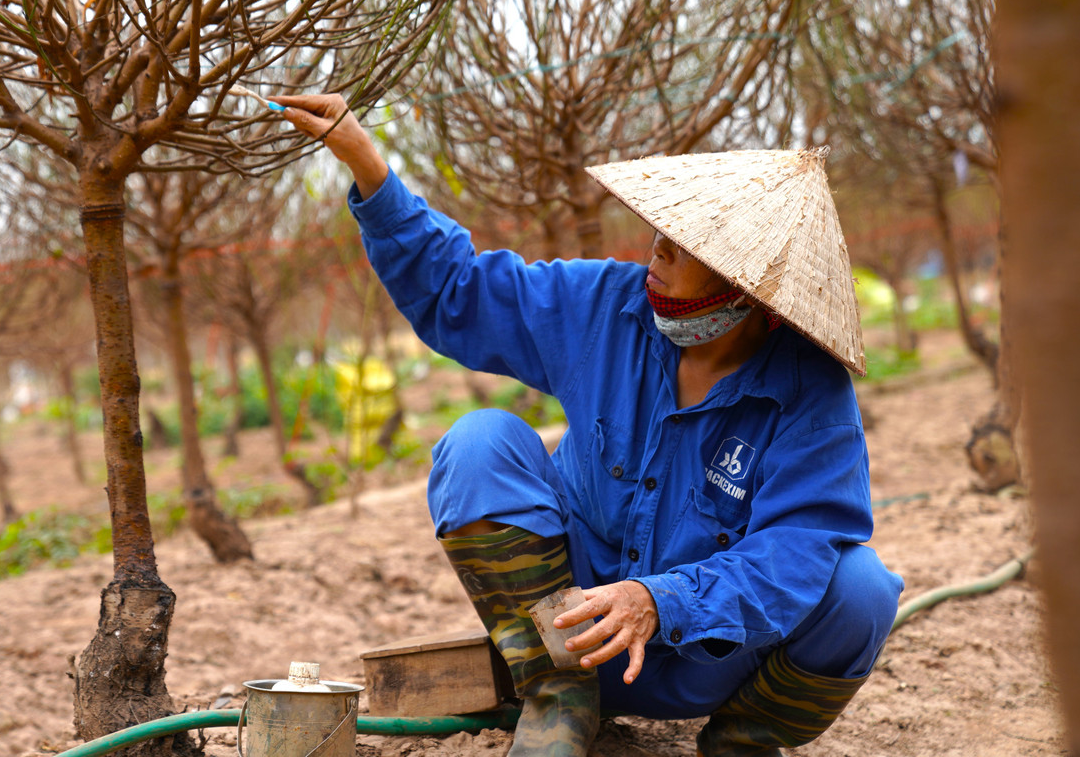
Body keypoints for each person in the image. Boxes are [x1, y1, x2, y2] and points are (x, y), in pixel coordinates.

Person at [275, 93, 904, 757]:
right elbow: (460, 290)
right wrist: (368, 165)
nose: (655, 252)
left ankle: (745, 738)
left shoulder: (810, 392)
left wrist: (660, 600)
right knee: (479, 442)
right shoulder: (606, 306)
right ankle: (558, 699)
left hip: (708, 664)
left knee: (860, 588)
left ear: (742, 287)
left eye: (681, 246)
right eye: (660, 232)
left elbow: (796, 552)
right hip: (566, 636)